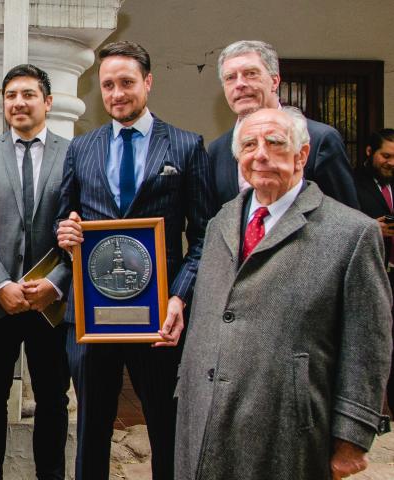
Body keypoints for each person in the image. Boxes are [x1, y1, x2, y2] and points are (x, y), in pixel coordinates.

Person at [175, 107, 392, 480]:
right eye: (249, 144)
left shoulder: (351, 234)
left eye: (274, 143)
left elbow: (368, 345)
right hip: (203, 419)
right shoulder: (220, 223)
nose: (260, 154)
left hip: (290, 430)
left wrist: (352, 437)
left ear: (301, 155)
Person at [55, 41, 216, 480]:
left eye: (126, 82)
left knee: (166, 426)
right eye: (107, 85)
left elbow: (203, 236)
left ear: (148, 82)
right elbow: (63, 218)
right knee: (90, 426)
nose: (117, 93)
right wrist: (64, 231)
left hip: (160, 315)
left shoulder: (185, 146)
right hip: (92, 315)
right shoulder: (81, 148)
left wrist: (180, 298)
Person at [0, 64, 71, 480]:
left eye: (28, 94)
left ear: (47, 102)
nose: (18, 102)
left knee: (52, 399)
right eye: (10, 95)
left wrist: (55, 283)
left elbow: (80, 226)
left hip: (51, 304)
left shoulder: (73, 153)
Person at [209, 40, 358, 208]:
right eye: (230, 78)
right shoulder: (218, 149)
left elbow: (347, 221)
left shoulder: (319, 139)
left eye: (251, 73)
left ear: (275, 81)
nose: (240, 84)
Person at [353, 127, 394, 415]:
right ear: (370, 153)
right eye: (386, 156)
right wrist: (371, 227)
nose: (391, 162)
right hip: (371, 274)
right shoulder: (352, 183)